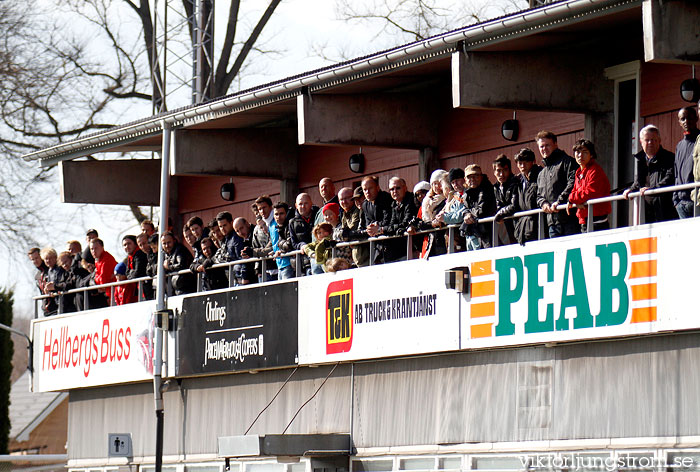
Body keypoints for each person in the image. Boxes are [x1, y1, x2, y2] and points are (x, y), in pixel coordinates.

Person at [624, 124, 677, 223]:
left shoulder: (669, 158)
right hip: (649, 212)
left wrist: (653, 190)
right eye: (647, 140)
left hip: (666, 211)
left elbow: (670, 178)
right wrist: (630, 189)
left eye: (653, 140)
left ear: (659, 141)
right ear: (641, 142)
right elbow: (639, 182)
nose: (650, 143)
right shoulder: (641, 160)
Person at [535, 130, 579, 237]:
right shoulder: (542, 173)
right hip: (552, 224)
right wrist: (543, 203)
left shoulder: (568, 162)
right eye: (541, 146)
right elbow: (539, 195)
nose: (544, 149)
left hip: (569, 220)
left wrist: (559, 202)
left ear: (555, 144)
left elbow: (572, 184)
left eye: (547, 145)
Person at [566, 139, 612, 232]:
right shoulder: (579, 172)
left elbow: (589, 193)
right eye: (577, 152)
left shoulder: (595, 171)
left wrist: (571, 199)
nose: (580, 155)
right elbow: (576, 191)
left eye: (585, 152)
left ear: (591, 154)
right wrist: (574, 201)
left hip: (597, 221)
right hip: (584, 219)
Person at [460, 164, 496, 250]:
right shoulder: (467, 193)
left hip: (489, 233)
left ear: (481, 177)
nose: (472, 179)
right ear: (465, 179)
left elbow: (481, 211)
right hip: (476, 234)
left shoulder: (487, 189)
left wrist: (469, 214)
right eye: (469, 177)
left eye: (476, 176)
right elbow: (465, 208)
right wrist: (466, 214)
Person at [359, 176, 393, 264]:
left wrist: (377, 227)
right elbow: (367, 224)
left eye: (370, 188)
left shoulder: (386, 198)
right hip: (376, 248)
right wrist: (371, 228)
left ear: (377, 188)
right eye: (364, 189)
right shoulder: (365, 205)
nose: (367, 192)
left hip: (392, 244)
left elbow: (388, 219)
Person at [384, 177, 418, 262]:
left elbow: (406, 223)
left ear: (405, 188)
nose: (394, 191)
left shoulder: (411, 200)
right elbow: (391, 224)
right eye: (392, 189)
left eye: (397, 188)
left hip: (413, 248)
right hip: (398, 250)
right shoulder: (394, 204)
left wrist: (382, 229)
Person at [513, 148, 543, 245]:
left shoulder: (540, 175)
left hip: (539, 225)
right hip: (523, 228)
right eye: (519, 163)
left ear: (533, 161)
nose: (522, 166)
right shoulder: (518, 181)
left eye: (526, 162)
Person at [673, 107, 699, 218]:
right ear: (679, 122)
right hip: (681, 203)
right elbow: (676, 173)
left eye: (689, 118)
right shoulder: (679, 146)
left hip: (696, 200)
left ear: (696, 119)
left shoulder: (698, 141)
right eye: (683, 119)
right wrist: (676, 199)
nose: (686, 122)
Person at [288, 193, 319, 275]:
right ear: (296, 205)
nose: (303, 206)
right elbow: (293, 243)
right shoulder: (292, 222)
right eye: (300, 204)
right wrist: (302, 245)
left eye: (306, 203)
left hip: (320, 257)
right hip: (305, 263)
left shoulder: (318, 215)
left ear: (311, 203)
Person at [339, 187, 368, 268]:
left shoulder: (359, 210)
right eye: (341, 199)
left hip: (367, 255)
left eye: (346, 198)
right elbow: (341, 233)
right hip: (357, 256)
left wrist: (347, 235)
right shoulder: (345, 214)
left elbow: (352, 229)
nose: (344, 202)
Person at [492, 155, 518, 245]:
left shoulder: (515, 183)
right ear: (494, 172)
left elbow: (515, 205)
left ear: (510, 170)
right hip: (505, 228)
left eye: (505, 170)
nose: (502, 174)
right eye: (498, 171)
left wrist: (500, 214)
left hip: (518, 225)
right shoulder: (495, 187)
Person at [161, 231, 196, 295]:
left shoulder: (180, 250)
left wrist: (168, 267)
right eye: (164, 243)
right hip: (175, 290)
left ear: (174, 241)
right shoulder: (163, 254)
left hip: (187, 288)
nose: (167, 245)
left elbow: (181, 265)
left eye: (169, 242)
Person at [250, 195, 275, 281]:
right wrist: (258, 269)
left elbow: (274, 244)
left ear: (270, 207)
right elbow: (255, 246)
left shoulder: (276, 221)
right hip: (265, 270)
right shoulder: (257, 229)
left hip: (279, 266)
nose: (262, 211)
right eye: (260, 209)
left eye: (264, 207)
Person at [270, 202, 295, 280]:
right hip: (279, 265)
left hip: (289, 264)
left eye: (281, 213)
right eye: (276, 214)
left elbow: (290, 244)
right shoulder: (276, 227)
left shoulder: (290, 224)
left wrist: (280, 251)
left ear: (286, 213)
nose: (278, 217)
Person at [323, 202, 353, 267]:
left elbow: (347, 244)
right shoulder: (330, 230)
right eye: (325, 215)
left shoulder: (342, 228)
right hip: (336, 263)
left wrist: (336, 244)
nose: (328, 217)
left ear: (337, 214)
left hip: (345, 262)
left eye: (330, 214)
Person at [90, 238, 117, 306]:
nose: (93, 251)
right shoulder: (98, 260)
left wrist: (96, 278)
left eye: (96, 248)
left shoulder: (106, 259)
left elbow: (103, 282)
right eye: (91, 249)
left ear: (102, 248)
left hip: (115, 294)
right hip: (110, 294)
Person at [122, 235, 147, 301]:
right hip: (139, 290)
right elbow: (127, 273)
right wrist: (132, 273)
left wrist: (132, 273)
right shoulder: (129, 257)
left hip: (145, 288)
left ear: (135, 244)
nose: (127, 246)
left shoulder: (140, 254)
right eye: (124, 245)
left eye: (129, 243)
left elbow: (138, 272)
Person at [233, 217, 257, 285]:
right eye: (237, 231)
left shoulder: (256, 232)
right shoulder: (242, 240)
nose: (240, 232)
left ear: (247, 224)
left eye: (241, 228)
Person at [136, 232, 154, 300]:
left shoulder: (156, 253)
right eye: (140, 245)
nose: (143, 247)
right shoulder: (146, 255)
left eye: (144, 243)